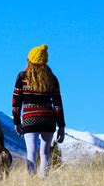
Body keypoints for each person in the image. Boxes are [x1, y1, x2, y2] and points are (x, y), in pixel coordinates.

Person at [12, 44, 65, 177]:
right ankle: (44, 182)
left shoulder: (22, 78)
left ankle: (31, 182)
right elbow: (58, 105)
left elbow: (16, 103)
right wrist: (61, 126)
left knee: (31, 153)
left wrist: (16, 122)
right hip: (48, 120)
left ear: (30, 60)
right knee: (45, 153)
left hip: (30, 119)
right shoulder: (52, 79)